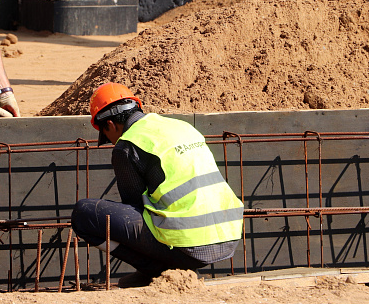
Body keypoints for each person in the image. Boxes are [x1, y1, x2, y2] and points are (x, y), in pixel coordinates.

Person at [71, 82, 244, 288]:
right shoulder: (180, 126)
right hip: (228, 235)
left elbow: (134, 206)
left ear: (109, 124)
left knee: (84, 214)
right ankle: (157, 270)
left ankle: (156, 271)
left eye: (106, 136)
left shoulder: (127, 145)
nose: (111, 141)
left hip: (189, 244)